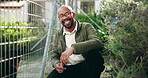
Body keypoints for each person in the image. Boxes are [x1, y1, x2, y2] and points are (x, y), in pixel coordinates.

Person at [47, 5, 105, 78]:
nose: (64, 17)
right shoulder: (59, 34)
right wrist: (57, 63)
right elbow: (54, 54)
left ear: (73, 14)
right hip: (67, 68)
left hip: (85, 66)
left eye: (67, 14)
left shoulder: (86, 27)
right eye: (61, 16)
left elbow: (97, 42)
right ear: (59, 19)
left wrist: (73, 49)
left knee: (94, 55)